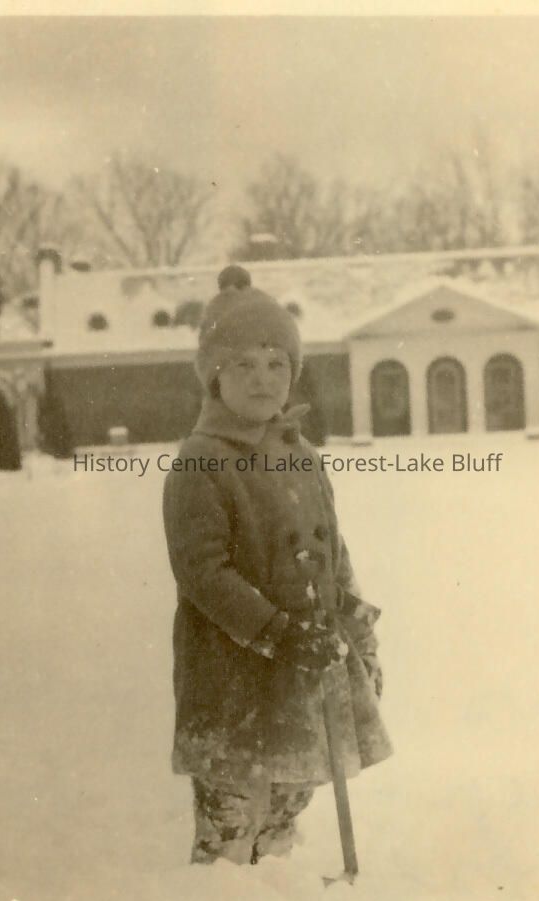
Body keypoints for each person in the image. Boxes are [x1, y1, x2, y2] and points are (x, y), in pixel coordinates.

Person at [162, 267, 391, 866]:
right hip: (233, 673)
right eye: (243, 364)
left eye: (276, 363)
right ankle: (224, 894)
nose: (263, 378)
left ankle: (277, 883)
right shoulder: (201, 461)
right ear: (214, 376)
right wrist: (278, 633)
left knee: (288, 801)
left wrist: (359, 636)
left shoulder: (301, 454)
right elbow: (204, 573)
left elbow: (333, 555)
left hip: (304, 670)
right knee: (232, 816)